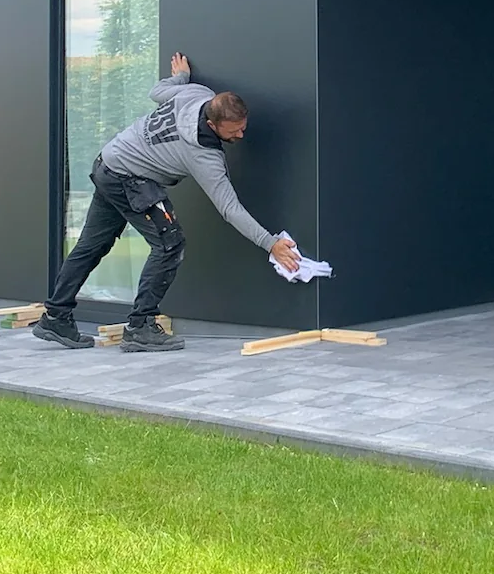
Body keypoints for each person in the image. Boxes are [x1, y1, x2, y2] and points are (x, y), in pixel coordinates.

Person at [34, 52, 302, 352]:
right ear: (213, 125)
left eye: (243, 126)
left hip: (109, 162)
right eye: (235, 130)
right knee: (169, 244)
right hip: (129, 178)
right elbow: (229, 208)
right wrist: (271, 244)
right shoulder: (203, 154)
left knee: (91, 246)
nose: (242, 133)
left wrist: (179, 79)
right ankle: (140, 326)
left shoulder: (197, 94)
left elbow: (156, 92)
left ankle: (55, 316)